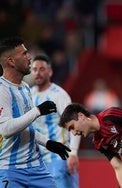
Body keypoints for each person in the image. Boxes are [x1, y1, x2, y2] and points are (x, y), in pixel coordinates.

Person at [0, 36, 70, 187]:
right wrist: (38, 110)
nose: (30, 57)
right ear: (11, 61)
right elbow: (5, 129)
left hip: (37, 168)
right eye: (24, 54)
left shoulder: (25, 87)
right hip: (11, 170)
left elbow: (26, 126)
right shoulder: (2, 90)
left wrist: (48, 143)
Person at [59, 103, 122, 188]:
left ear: (81, 116)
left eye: (72, 127)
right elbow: (118, 166)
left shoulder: (111, 115)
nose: (74, 133)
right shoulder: (98, 142)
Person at [30, 53, 81, 188]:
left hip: (59, 159)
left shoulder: (59, 95)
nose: (38, 73)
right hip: (37, 162)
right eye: (35, 69)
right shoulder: (29, 94)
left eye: (42, 69)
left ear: (50, 72)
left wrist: (74, 153)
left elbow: (75, 124)